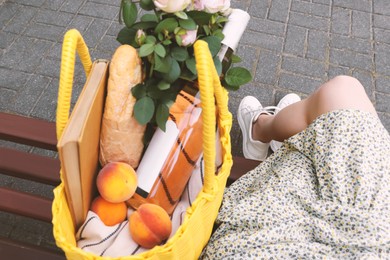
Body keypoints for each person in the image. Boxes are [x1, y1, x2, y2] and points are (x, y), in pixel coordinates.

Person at [201, 76, 390, 259]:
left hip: (281, 244)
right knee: (343, 91)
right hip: (376, 232)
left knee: (337, 100)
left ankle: (261, 131)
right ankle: (277, 132)